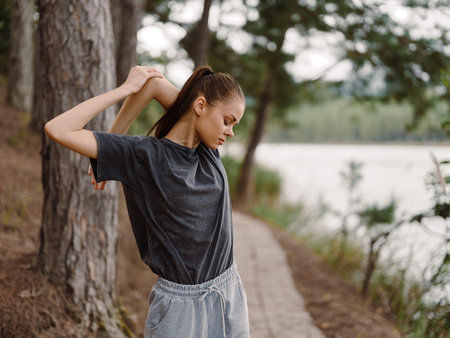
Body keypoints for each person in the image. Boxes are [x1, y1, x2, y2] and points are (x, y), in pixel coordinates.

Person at [44, 65, 250, 337]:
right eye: (227, 121)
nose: (230, 132)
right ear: (201, 105)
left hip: (228, 295)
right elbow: (57, 128)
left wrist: (111, 141)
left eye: (234, 125)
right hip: (180, 310)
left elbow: (154, 85)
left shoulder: (208, 152)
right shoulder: (141, 156)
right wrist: (124, 92)